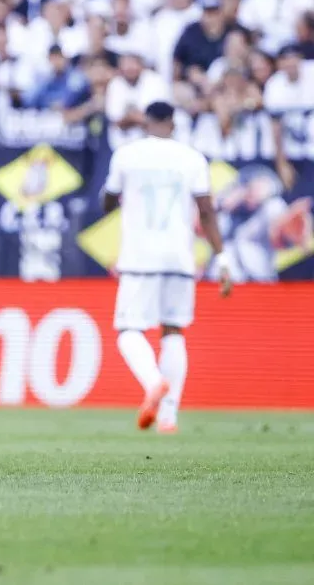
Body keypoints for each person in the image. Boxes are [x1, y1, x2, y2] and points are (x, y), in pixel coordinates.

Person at [101, 101, 232, 434]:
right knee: (173, 331)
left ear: (146, 123)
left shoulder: (127, 155)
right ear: (173, 124)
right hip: (179, 258)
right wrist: (222, 258)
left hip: (139, 257)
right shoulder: (192, 158)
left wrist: (116, 192)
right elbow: (206, 211)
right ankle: (169, 417)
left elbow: (107, 202)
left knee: (129, 331)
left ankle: (153, 382)